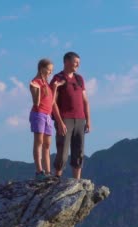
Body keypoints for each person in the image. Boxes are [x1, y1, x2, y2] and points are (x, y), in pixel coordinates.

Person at [51, 51, 91, 179]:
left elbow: (85, 101)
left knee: (78, 151)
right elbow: (53, 103)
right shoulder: (57, 79)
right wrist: (59, 121)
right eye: (76, 62)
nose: (78, 65)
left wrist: (88, 120)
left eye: (79, 63)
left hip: (80, 119)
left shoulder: (79, 79)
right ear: (66, 62)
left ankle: (77, 182)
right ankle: (56, 180)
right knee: (62, 151)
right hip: (65, 119)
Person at [29, 58, 61, 180]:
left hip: (47, 116)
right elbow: (36, 103)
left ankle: (48, 172)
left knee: (47, 144)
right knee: (39, 142)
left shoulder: (46, 84)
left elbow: (52, 102)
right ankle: (39, 172)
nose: (50, 73)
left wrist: (55, 87)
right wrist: (37, 90)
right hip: (38, 114)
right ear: (41, 68)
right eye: (49, 70)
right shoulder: (35, 82)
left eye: (51, 71)